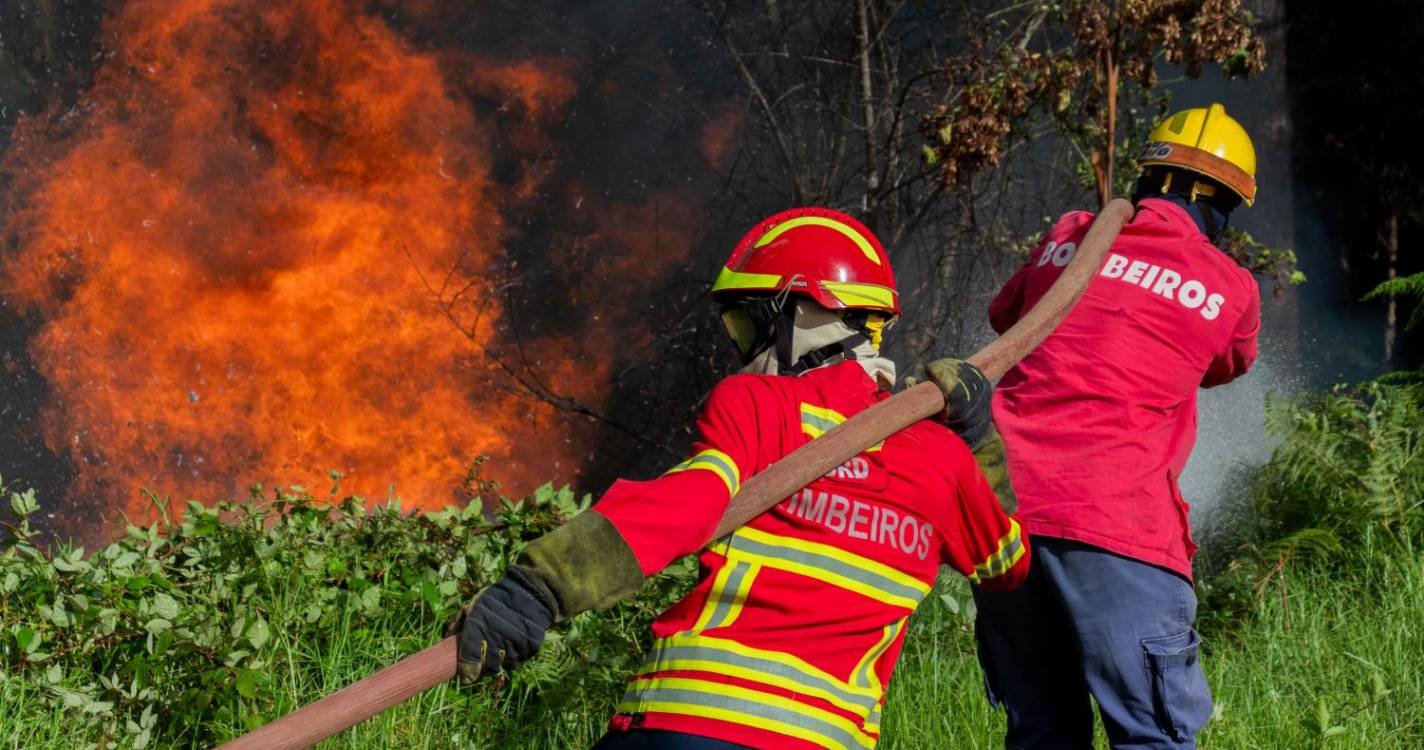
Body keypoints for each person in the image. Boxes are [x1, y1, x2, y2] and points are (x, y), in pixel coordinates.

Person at [451, 207, 1031, 749]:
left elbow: (685, 502)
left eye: (748, 323)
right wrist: (976, 437)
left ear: (803, 313)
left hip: (690, 722)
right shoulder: (940, 456)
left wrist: (542, 586)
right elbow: (1008, 563)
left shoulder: (759, 403)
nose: (745, 348)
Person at [927, 103, 1262, 749]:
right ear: (1221, 204)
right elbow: (1227, 362)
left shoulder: (1071, 235)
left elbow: (1011, 320)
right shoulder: (1228, 283)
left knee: (1042, 731)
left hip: (1005, 518)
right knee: (1152, 737)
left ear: (1147, 178)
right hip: (1119, 528)